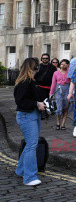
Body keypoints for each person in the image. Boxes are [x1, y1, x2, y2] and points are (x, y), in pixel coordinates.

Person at [14, 58, 45, 186]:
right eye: (37, 66)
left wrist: (41, 103)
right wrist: (37, 103)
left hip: (32, 115)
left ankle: (21, 170)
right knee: (32, 145)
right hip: (27, 116)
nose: (38, 68)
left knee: (30, 144)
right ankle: (29, 177)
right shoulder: (24, 82)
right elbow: (20, 102)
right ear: (33, 67)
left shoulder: (31, 81)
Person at [50, 59, 71, 130]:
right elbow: (53, 84)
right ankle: (58, 122)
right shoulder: (56, 73)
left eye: (65, 64)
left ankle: (63, 124)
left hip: (67, 90)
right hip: (58, 91)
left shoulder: (70, 73)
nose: (63, 65)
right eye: (62, 64)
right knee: (59, 107)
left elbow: (72, 83)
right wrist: (51, 93)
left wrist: (72, 92)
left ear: (68, 65)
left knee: (66, 108)